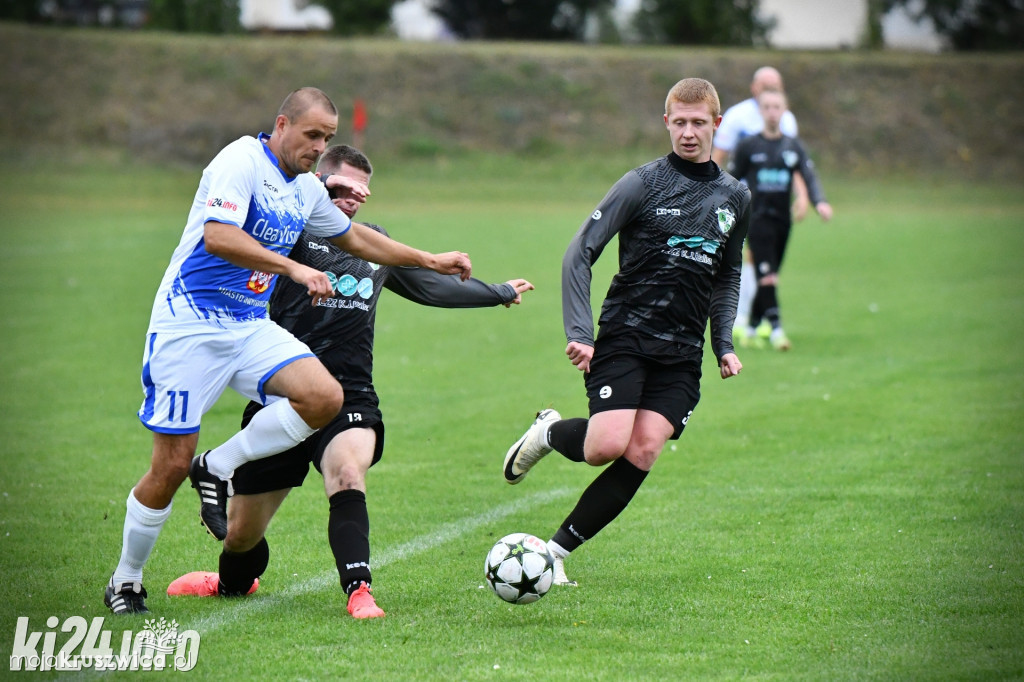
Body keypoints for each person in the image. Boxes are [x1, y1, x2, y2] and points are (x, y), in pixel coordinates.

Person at [105, 88, 473, 615]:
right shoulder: (240, 161)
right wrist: (294, 267)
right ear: (282, 124)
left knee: (324, 396)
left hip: (248, 325)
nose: (318, 147)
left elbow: (358, 240)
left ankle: (218, 466)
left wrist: (429, 259)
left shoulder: (304, 188)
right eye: (312, 135)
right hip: (191, 323)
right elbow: (218, 237)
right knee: (169, 463)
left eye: (326, 138)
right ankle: (126, 579)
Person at [165, 145, 534, 618]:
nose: (353, 200)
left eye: (362, 193)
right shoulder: (288, 232)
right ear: (319, 180)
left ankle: (359, 590)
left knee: (347, 474)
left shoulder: (371, 244)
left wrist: (497, 292)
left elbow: (427, 285)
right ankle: (232, 582)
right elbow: (239, 243)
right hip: (283, 396)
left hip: (351, 395)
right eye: (343, 188)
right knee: (240, 536)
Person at [501, 78, 750, 586]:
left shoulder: (735, 196)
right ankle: (548, 431)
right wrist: (581, 331)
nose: (687, 132)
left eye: (698, 122)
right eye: (678, 122)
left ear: (716, 125)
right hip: (626, 335)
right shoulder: (642, 183)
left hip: (681, 349)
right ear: (666, 123)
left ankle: (553, 554)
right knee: (605, 447)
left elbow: (727, 274)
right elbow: (580, 252)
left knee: (644, 449)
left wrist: (721, 342)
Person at [727, 89, 832, 351]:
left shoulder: (792, 147)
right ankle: (777, 331)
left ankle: (751, 325)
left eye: (777, 107)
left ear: (784, 111)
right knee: (768, 276)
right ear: (761, 112)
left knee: (770, 275)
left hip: (782, 221)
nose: (772, 112)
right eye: (768, 107)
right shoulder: (748, 146)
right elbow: (728, 182)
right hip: (757, 219)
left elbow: (808, 176)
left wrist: (819, 202)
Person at [711, 66, 808, 340]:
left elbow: (795, 162)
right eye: (765, 85)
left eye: (775, 85)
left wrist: (802, 195)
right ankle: (748, 317)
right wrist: (712, 191)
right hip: (741, 199)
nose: (770, 90)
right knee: (742, 256)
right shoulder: (737, 116)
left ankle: (752, 319)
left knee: (763, 259)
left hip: (774, 200)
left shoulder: (786, 119)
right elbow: (719, 155)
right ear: (754, 88)